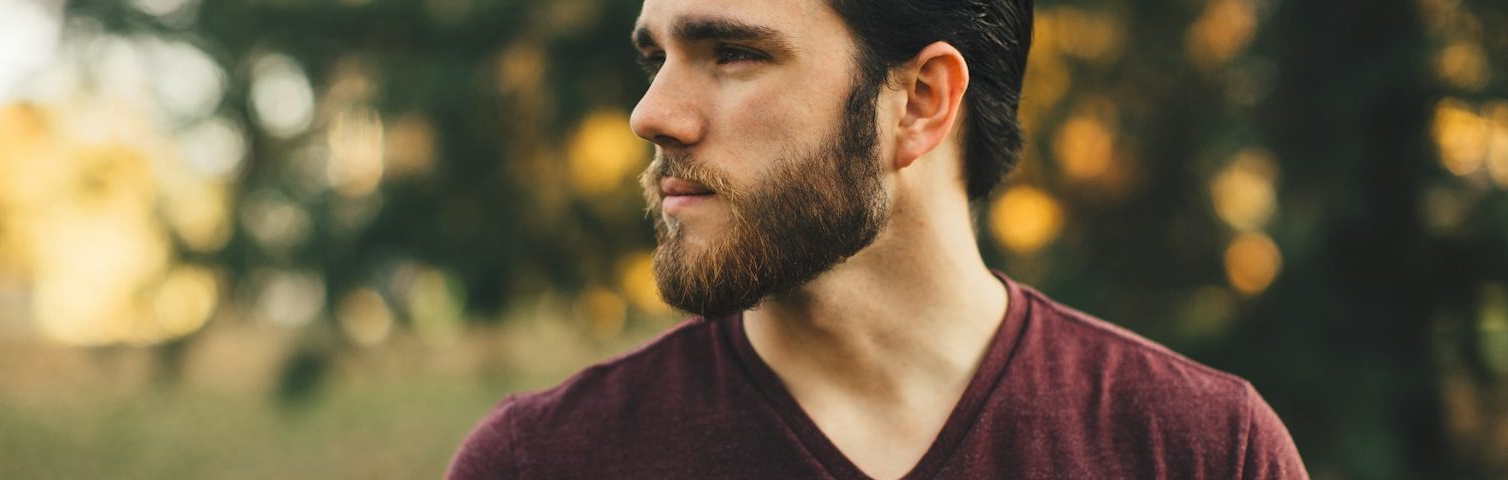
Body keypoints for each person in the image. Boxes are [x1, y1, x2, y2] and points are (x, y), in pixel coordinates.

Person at [448, 0, 1309, 477]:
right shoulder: (545, 463)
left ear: (922, 101)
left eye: (734, 53)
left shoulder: (1198, 452)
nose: (651, 114)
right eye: (656, 58)